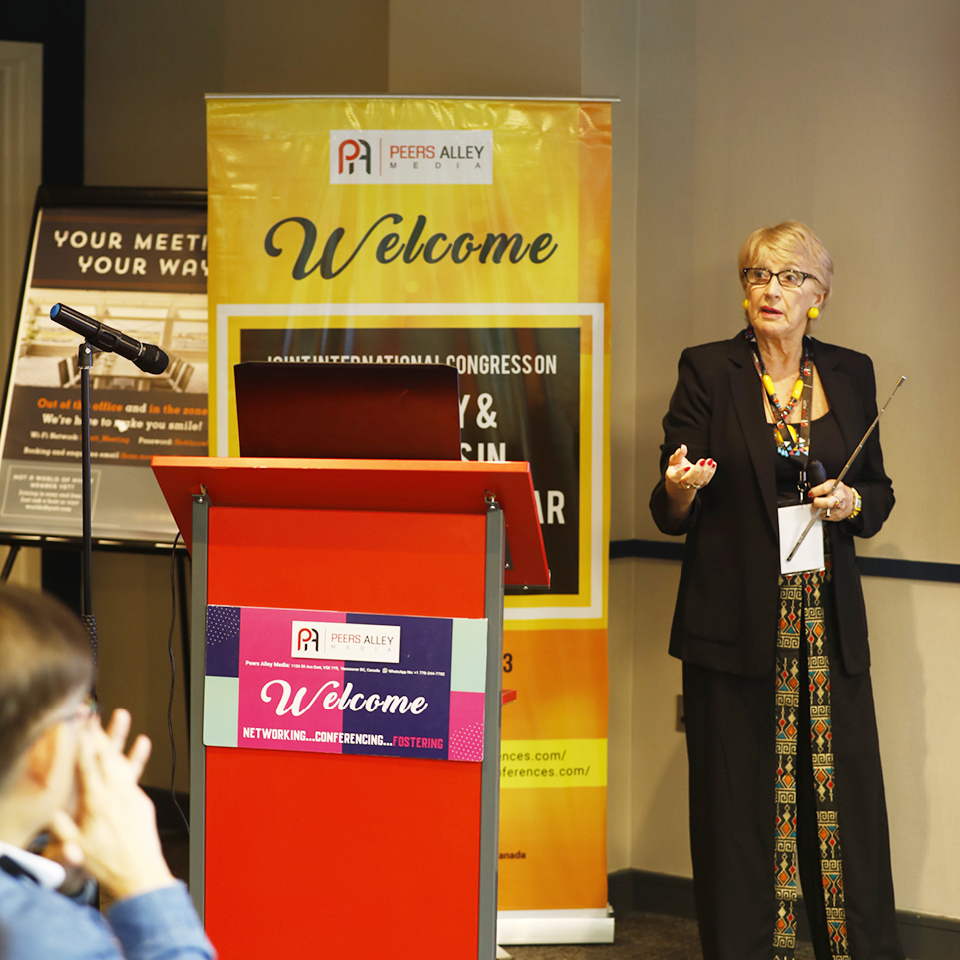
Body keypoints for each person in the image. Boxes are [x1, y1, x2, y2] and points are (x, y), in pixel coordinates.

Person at [650, 221, 903, 960]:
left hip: (824, 623)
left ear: (818, 295)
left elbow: (879, 493)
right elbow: (668, 506)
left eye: (791, 278)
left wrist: (851, 502)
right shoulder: (708, 368)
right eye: (758, 275)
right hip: (733, 624)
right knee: (739, 809)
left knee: (839, 803)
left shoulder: (851, 373)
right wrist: (681, 486)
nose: (771, 290)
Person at [0, 583, 214, 960]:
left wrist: (56, 887)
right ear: (46, 751)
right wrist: (145, 878)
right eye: (83, 712)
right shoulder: (49, 938)